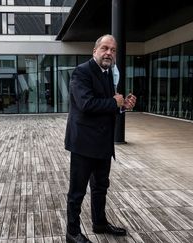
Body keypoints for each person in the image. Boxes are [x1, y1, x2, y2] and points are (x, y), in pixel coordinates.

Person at [64, 34, 136, 243]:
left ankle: (99, 222)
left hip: (103, 144)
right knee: (77, 192)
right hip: (84, 144)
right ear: (94, 50)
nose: (109, 53)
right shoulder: (82, 72)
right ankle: (72, 232)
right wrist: (115, 103)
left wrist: (122, 106)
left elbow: (108, 105)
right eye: (105, 48)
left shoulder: (107, 74)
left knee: (100, 187)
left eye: (113, 50)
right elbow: (86, 104)